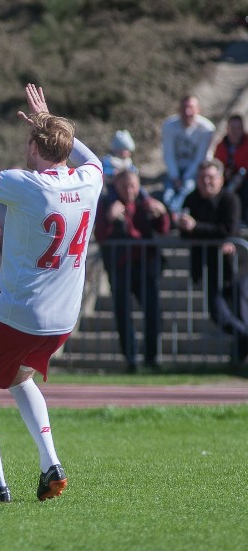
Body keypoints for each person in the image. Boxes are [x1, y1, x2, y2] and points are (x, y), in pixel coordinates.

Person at [0, 84, 102, 502]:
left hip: (21, 312)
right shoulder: (88, 181)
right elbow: (94, 161)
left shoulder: (27, 184)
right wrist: (52, 122)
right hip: (62, 317)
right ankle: (50, 462)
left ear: (35, 146)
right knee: (19, 376)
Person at [94, 170, 170, 372]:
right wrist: (110, 217)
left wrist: (162, 214)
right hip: (120, 267)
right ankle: (131, 358)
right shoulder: (107, 204)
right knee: (123, 313)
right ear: (116, 186)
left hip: (146, 266)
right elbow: (100, 234)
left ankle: (151, 357)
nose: (129, 190)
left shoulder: (145, 203)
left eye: (133, 186)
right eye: (124, 186)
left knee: (154, 312)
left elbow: (163, 229)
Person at [176, 159, 248, 362]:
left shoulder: (230, 199)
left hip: (234, 267)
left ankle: (237, 360)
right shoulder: (191, 200)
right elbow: (185, 234)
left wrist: (196, 227)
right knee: (218, 314)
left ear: (221, 179)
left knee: (241, 312)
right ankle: (242, 344)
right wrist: (192, 229)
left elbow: (228, 231)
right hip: (208, 268)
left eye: (211, 177)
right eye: (202, 177)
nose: (206, 181)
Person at [161, 94, 215, 213]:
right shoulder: (168, 126)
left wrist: (185, 178)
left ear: (198, 110)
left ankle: (176, 213)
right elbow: (168, 154)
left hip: (195, 171)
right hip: (175, 171)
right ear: (179, 110)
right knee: (168, 193)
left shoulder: (206, 129)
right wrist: (175, 177)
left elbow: (201, 158)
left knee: (188, 188)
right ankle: (171, 212)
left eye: (191, 108)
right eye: (184, 108)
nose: (187, 112)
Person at [213, 115, 248, 220]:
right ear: (227, 129)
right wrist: (224, 173)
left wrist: (241, 175)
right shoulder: (221, 147)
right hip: (226, 180)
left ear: (243, 129)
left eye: (238, 128)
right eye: (232, 128)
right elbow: (217, 165)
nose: (235, 132)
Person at [101, 129, 139, 195]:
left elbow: (133, 170)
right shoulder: (109, 160)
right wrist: (113, 173)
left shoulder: (128, 162)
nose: (128, 153)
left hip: (126, 185)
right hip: (111, 186)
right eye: (126, 150)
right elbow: (104, 172)